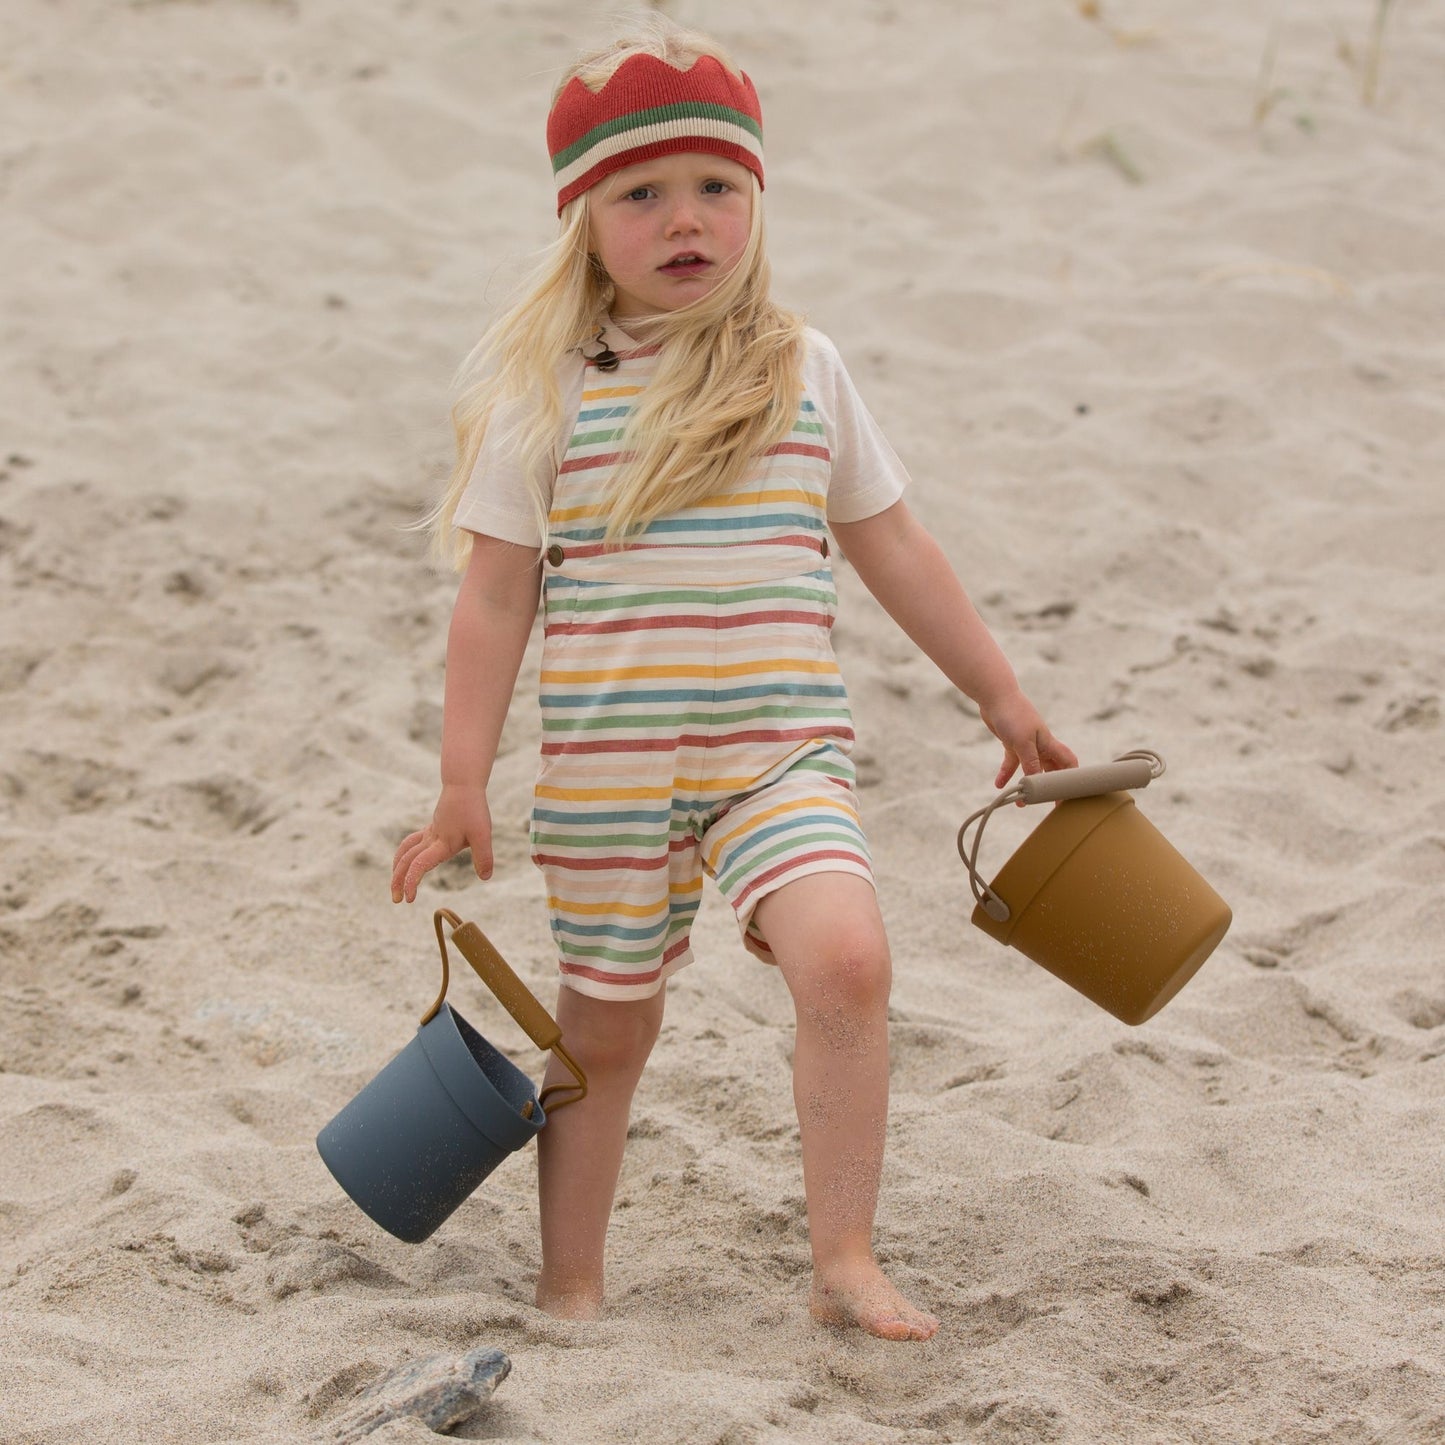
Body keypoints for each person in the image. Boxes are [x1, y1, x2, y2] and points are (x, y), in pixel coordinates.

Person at [391, 18, 1076, 1343]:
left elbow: (892, 542)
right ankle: (571, 1282)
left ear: (757, 202)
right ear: (581, 221)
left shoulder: (799, 369)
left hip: (777, 752)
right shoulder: (550, 391)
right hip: (608, 773)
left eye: (717, 187)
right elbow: (492, 597)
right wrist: (461, 777)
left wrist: (999, 694)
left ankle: (843, 1253)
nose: (684, 219)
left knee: (849, 961)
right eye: (639, 194)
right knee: (605, 1034)